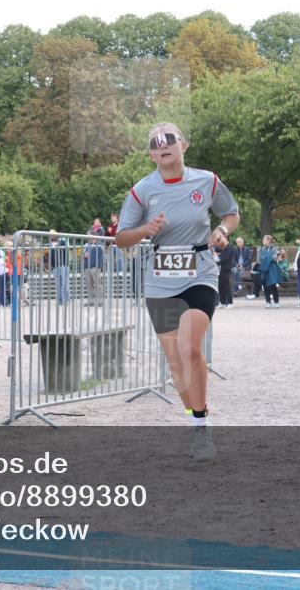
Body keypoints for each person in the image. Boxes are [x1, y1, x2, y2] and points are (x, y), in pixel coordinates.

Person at [115, 122, 239, 460]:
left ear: (183, 145)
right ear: (151, 154)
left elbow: (231, 213)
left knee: (189, 348)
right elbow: (121, 238)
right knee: (174, 361)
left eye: (169, 139)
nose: (162, 145)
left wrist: (221, 229)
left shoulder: (206, 180)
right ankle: (196, 419)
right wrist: (145, 229)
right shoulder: (142, 191)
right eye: (155, 143)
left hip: (199, 272)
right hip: (160, 278)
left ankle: (200, 427)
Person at [253, 235, 282, 308]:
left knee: (273, 286)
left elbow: (275, 258)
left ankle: (276, 302)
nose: (263, 241)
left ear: (268, 240)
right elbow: (260, 259)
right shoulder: (261, 249)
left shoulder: (274, 249)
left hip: (272, 269)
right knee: (265, 286)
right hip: (264, 269)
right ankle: (268, 302)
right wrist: (269, 258)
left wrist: (267, 258)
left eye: (264, 240)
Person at [46, 231, 70, 305]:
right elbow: (51, 256)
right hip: (55, 266)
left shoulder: (62, 241)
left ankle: (66, 299)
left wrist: (54, 244)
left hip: (63, 265)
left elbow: (61, 244)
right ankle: (60, 300)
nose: (50, 236)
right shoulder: (51, 245)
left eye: (51, 235)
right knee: (58, 284)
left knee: (64, 283)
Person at [82, 237, 106, 306]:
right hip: (87, 267)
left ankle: (100, 301)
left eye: (89, 236)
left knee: (98, 284)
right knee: (89, 285)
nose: (88, 238)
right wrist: (84, 255)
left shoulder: (99, 245)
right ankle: (90, 301)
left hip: (95, 267)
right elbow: (84, 255)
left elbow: (101, 255)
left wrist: (98, 266)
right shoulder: (87, 245)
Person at [216, 234, 237, 308]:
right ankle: (222, 302)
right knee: (220, 285)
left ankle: (230, 302)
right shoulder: (221, 246)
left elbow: (225, 258)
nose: (220, 239)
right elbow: (215, 251)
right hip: (220, 269)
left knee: (226, 285)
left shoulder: (229, 246)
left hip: (226, 268)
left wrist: (217, 262)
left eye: (222, 238)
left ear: (226, 238)